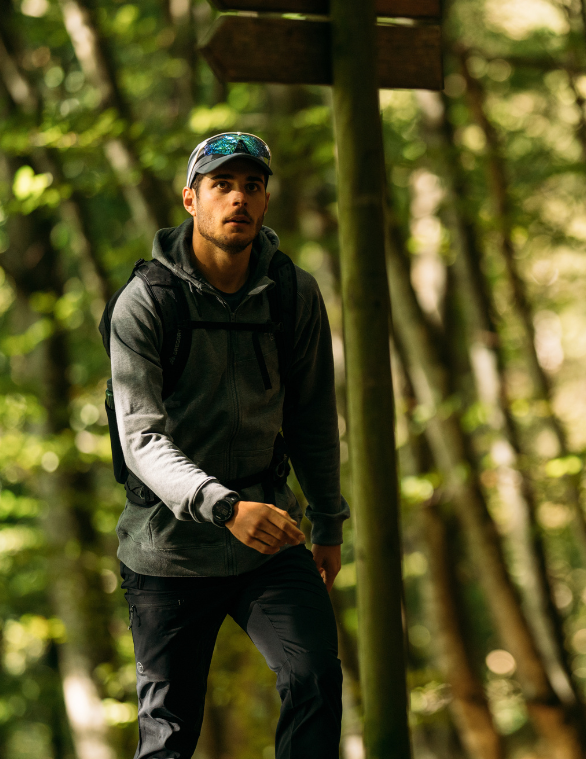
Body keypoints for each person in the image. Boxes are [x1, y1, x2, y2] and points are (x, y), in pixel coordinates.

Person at [107, 131, 349, 758]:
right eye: (222, 185)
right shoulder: (146, 303)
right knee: (170, 736)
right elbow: (141, 437)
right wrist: (222, 508)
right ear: (191, 200)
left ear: (266, 202)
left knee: (315, 678)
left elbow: (313, 416)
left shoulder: (292, 294)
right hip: (169, 549)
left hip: (270, 536)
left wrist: (328, 521)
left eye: (252, 186)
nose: (238, 198)